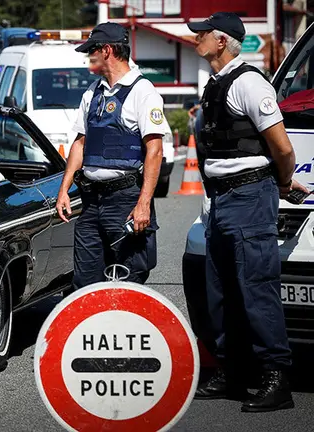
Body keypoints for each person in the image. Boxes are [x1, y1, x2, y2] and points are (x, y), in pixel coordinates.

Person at [187, 12, 308, 412]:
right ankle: (233, 371)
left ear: (222, 41)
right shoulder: (216, 84)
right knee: (220, 291)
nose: (196, 39)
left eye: (202, 34)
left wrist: (284, 184)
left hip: (250, 197)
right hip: (221, 200)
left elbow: (284, 148)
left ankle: (277, 378)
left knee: (257, 289)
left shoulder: (250, 84)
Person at [55, 22, 167, 289]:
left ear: (107, 51)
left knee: (129, 280)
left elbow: (155, 151)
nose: (88, 56)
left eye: (92, 50)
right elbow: (80, 143)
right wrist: (64, 189)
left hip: (125, 200)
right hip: (92, 200)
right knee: (84, 282)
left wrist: (143, 205)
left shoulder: (143, 92)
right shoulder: (92, 92)